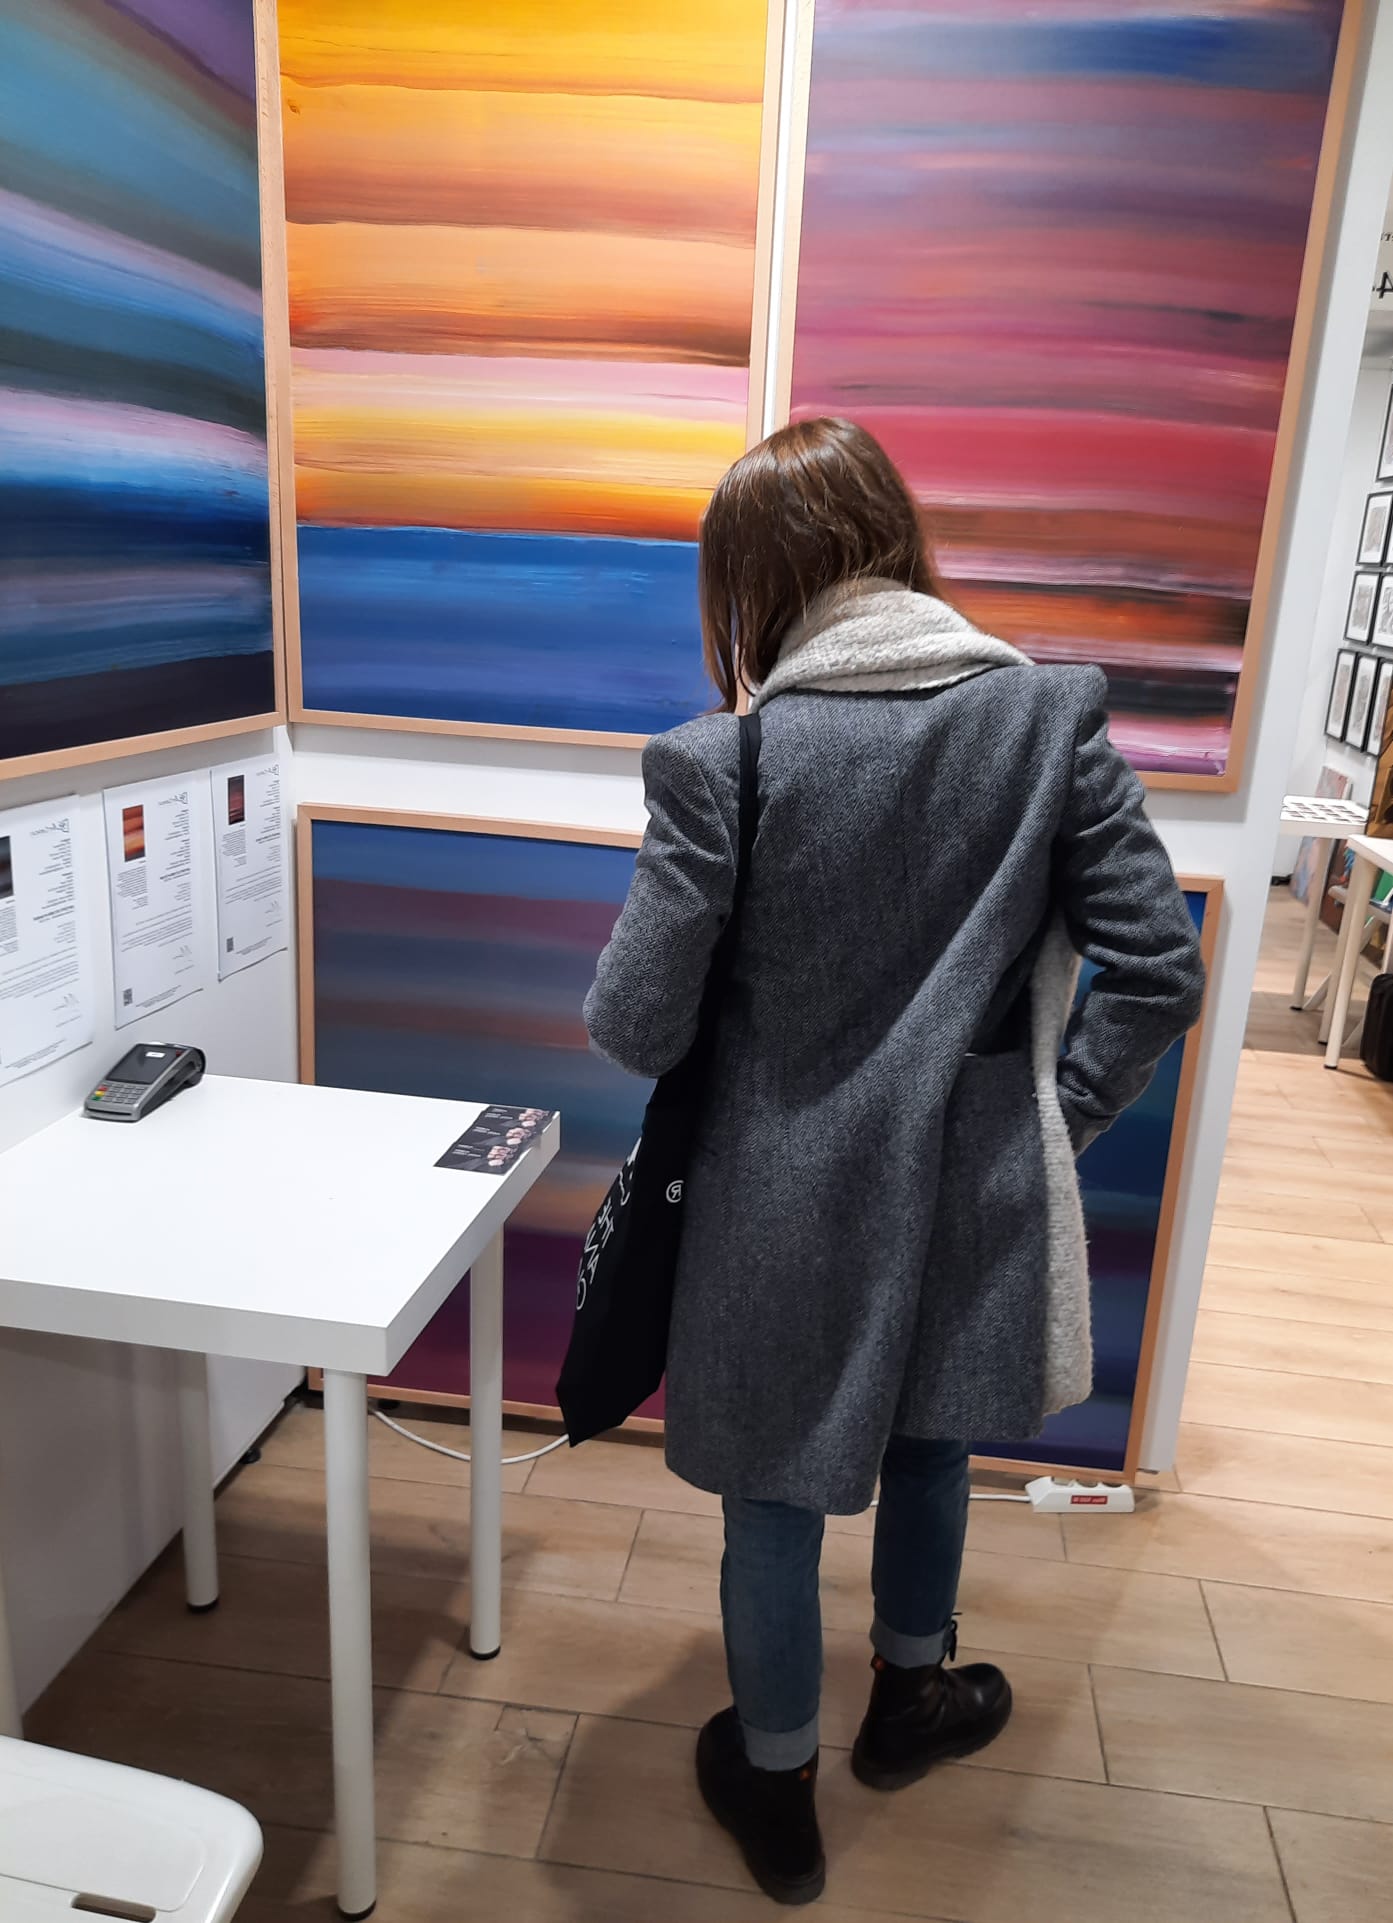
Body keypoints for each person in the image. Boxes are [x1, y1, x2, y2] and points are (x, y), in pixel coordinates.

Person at [583, 417, 1206, 1905]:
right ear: (897, 542)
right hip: (967, 1187)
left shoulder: (722, 764)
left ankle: (778, 1781)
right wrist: (1050, 1117)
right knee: (934, 1445)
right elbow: (1158, 970)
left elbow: (632, 1023)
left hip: (771, 1202)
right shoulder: (1049, 720)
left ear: (752, 587)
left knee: (770, 1497)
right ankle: (911, 1700)